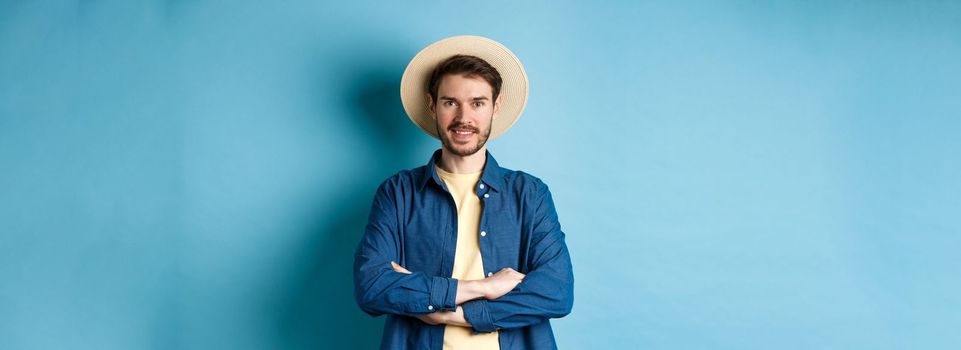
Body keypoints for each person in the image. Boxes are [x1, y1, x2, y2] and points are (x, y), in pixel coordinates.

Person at [353, 35, 574, 350]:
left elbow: (557, 292)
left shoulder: (530, 194)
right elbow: (371, 286)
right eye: (450, 102)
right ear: (433, 106)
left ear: (495, 107)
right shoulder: (398, 192)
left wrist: (447, 312)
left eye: (477, 103)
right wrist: (483, 287)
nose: (463, 118)